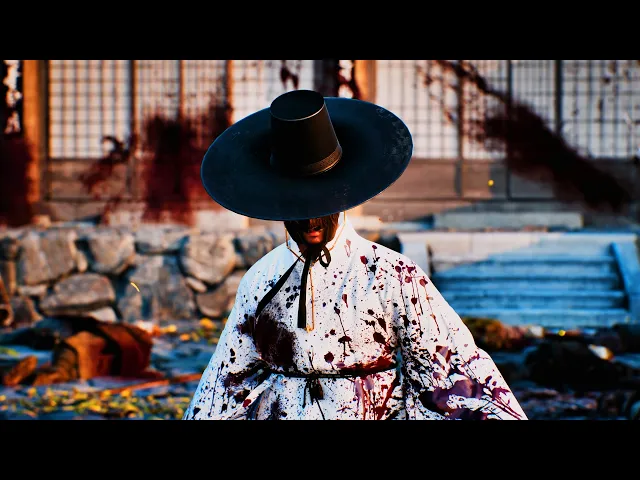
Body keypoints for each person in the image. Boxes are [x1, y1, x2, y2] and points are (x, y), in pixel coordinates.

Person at [183, 89, 527, 420]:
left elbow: (448, 368)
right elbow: (226, 383)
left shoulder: (392, 275)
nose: (311, 221)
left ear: (340, 198)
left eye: (321, 207)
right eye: (299, 210)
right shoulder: (261, 280)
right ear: (281, 206)